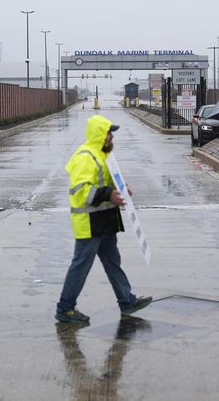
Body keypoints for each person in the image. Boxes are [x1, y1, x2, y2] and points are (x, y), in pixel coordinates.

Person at [55, 115, 152, 324]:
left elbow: (107, 181)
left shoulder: (102, 155)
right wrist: (108, 195)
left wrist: (120, 189)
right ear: (100, 134)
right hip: (90, 223)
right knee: (81, 266)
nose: (111, 138)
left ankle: (127, 301)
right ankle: (65, 308)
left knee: (112, 262)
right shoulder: (85, 156)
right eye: (109, 133)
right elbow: (80, 191)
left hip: (105, 221)